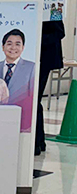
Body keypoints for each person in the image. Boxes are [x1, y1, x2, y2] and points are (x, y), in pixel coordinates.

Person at [0, 28, 35, 132]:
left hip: (21, 118)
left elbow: (32, 97)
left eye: (17, 44)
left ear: (23, 47)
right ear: (3, 47)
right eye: (9, 44)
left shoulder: (32, 67)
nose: (13, 47)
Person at [37, 20, 65, 154]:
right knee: (33, 100)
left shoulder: (52, 10)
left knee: (35, 99)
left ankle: (37, 142)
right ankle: (38, 141)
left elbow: (60, 32)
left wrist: (37, 39)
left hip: (45, 57)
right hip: (29, 54)